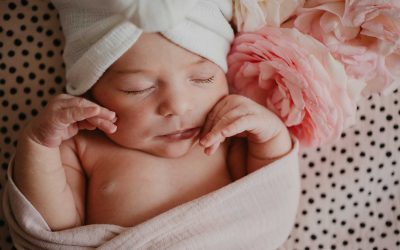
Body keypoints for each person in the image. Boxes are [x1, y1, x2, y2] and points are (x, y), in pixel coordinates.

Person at [12, 1, 293, 231]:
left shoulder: (225, 138)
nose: (178, 106)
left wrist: (271, 134)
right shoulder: (84, 145)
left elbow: (267, 196)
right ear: (89, 93)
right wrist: (40, 145)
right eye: (138, 89)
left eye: (203, 79)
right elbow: (56, 231)